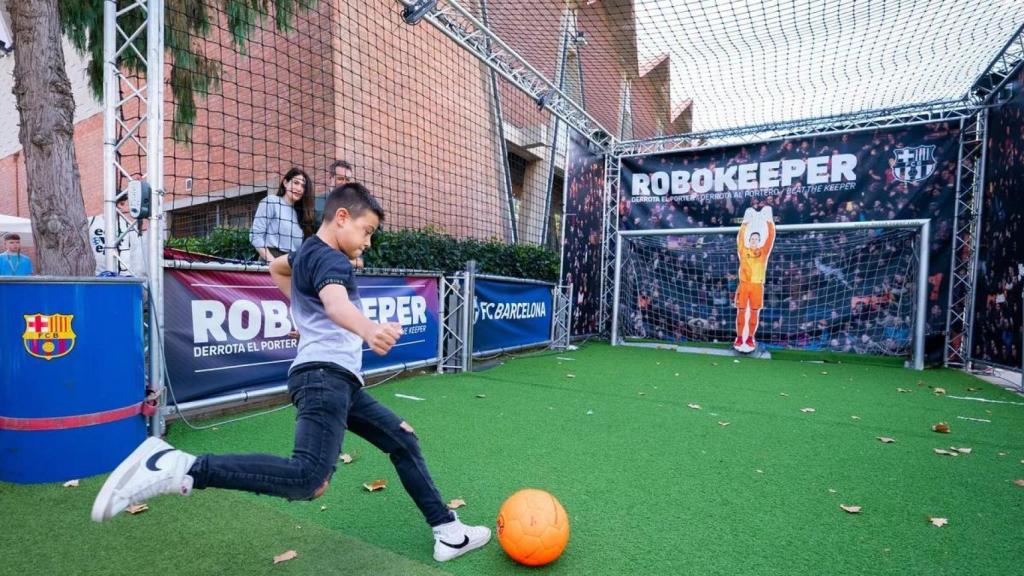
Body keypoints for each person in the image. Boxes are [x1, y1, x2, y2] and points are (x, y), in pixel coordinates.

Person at [92, 183, 491, 562]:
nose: (368, 242)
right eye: (366, 231)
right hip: (325, 378)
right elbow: (336, 305)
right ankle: (183, 467)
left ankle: (447, 531)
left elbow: (277, 272)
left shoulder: (305, 254)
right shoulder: (332, 258)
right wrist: (369, 329)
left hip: (337, 381)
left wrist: (304, 311)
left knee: (402, 439)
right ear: (340, 217)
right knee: (308, 479)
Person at [250, 167, 315, 262]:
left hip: (292, 265)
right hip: (270, 263)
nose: (299, 188)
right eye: (296, 183)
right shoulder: (271, 201)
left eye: (303, 186)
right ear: (285, 183)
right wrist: (272, 262)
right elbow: (255, 236)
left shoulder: (302, 214)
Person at [734, 207, 776, 353]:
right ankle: (739, 337)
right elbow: (740, 237)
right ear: (749, 240)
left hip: (757, 286)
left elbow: (770, 238)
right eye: (752, 239)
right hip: (744, 285)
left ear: (758, 241)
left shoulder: (763, 252)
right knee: (741, 312)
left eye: (756, 239)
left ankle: (750, 337)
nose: (754, 241)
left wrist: (769, 222)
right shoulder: (744, 250)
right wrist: (745, 223)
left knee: (753, 313)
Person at [88, 191, 146, 276]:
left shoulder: (128, 225)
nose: (119, 207)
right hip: (96, 276)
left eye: (122, 204)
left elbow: (136, 254)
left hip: (122, 277)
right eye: (116, 203)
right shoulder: (91, 222)